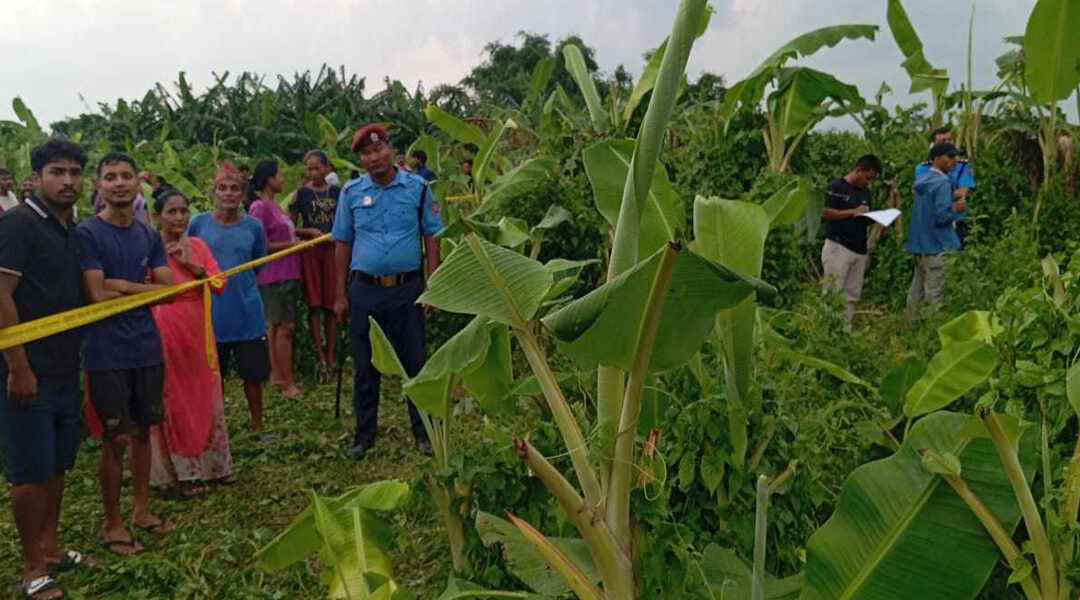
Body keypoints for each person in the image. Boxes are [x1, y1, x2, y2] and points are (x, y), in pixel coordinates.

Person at [0, 139, 88, 600]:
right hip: (25, 370)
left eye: (75, 172)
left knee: (57, 461)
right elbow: (1, 295)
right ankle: (33, 567)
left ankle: (50, 548)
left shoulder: (70, 228)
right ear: (35, 178)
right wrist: (18, 364)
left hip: (63, 365)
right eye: (57, 171)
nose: (68, 181)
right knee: (29, 470)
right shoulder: (18, 224)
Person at [78, 152, 175, 556]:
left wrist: (123, 284)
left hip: (146, 346)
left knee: (142, 432)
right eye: (110, 177)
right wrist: (135, 288)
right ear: (98, 185)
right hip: (106, 351)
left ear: (138, 183)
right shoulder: (87, 234)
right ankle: (113, 522)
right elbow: (96, 293)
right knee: (115, 438)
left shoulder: (149, 236)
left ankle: (141, 511)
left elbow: (169, 290)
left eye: (126, 176)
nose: (119, 183)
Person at [333, 124, 441, 460]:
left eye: (379, 150)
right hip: (364, 290)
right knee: (365, 365)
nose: (374, 157)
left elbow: (431, 235)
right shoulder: (350, 193)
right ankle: (364, 435)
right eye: (367, 153)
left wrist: (432, 282)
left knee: (414, 362)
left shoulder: (419, 188)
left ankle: (424, 432)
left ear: (391, 150)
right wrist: (339, 293)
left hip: (407, 289)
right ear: (362, 159)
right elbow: (342, 242)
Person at [148, 189, 235, 497]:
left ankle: (216, 467)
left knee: (204, 392)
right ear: (157, 216)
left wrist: (192, 265)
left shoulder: (197, 245)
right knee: (174, 398)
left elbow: (219, 282)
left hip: (199, 330)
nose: (179, 218)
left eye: (183, 211)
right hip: (166, 328)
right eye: (171, 212)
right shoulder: (149, 246)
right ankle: (183, 474)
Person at [187, 162, 273, 440]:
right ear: (214, 192)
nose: (228, 194)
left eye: (234, 189)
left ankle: (258, 425)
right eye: (222, 188)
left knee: (253, 375)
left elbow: (257, 263)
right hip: (211, 312)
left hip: (246, 310)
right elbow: (188, 259)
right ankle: (215, 428)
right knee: (213, 376)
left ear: (242, 193)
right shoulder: (198, 223)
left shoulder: (253, 226)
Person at [248, 160, 316, 399]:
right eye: (279, 175)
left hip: (287, 273)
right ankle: (288, 384)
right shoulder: (259, 208)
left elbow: (285, 231)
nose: (283, 180)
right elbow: (261, 245)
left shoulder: (274, 206)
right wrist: (294, 245)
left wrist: (304, 233)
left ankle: (276, 375)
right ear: (269, 180)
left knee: (277, 327)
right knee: (284, 328)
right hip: (274, 275)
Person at [289, 150, 341, 371]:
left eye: (317, 168)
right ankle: (319, 355)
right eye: (309, 168)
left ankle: (331, 354)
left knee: (331, 304)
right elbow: (290, 227)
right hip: (311, 252)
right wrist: (308, 231)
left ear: (327, 168)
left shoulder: (339, 192)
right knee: (315, 304)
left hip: (333, 251)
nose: (313, 172)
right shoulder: (300, 194)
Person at [906, 142, 967, 323]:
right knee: (935, 295)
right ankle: (932, 334)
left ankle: (910, 327)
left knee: (916, 290)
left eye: (955, 156)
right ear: (937, 158)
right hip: (938, 245)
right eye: (949, 157)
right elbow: (941, 217)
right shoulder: (941, 183)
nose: (954, 161)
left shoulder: (923, 181)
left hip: (920, 245)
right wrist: (956, 208)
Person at [821, 154, 882, 332]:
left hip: (859, 248)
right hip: (839, 246)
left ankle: (844, 331)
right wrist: (851, 212)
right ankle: (828, 331)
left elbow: (863, 216)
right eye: (867, 177)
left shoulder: (865, 193)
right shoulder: (836, 187)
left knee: (851, 294)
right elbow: (825, 212)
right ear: (858, 170)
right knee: (833, 292)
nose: (868, 182)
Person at [915, 126, 975, 244]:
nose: (948, 143)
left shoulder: (963, 165)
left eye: (950, 140)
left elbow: (963, 192)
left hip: (959, 220)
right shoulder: (923, 168)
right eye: (943, 141)